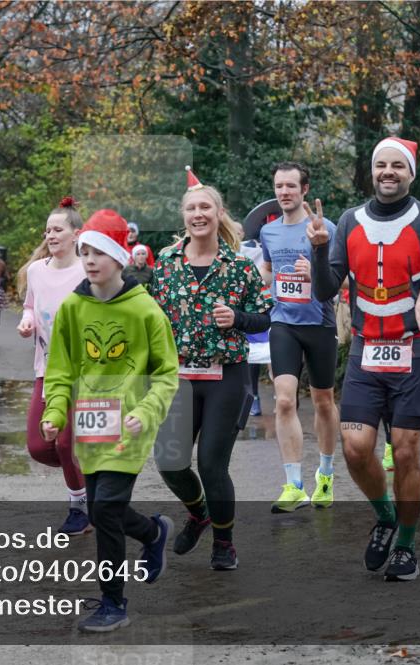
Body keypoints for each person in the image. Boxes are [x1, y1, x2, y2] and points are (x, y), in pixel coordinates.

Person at [308, 137, 420, 581]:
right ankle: (385, 516)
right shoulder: (349, 221)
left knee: (404, 453)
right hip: (367, 352)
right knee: (354, 448)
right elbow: (326, 290)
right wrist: (321, 248)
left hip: (416, 352)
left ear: (410, 174)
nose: (388, 172)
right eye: (380, 164)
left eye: (397, 166)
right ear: (371, 171)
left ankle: (406, 545)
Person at [40, 209, 178, 632]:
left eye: (100, 252)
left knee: (104, 510)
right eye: (85, 252)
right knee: (104, 514)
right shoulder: (72, 309)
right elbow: (60, 369)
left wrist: (146, 412)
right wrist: (54, 412)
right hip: (87, 429)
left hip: (130, 429)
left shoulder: (145, 311)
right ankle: (153, 532)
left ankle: (113, 603)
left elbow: (167, 375)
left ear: (120, 258)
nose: (91, 260)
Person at [150, 167, 271, 570]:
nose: (198, 214)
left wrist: (236, 317)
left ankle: (224, 542)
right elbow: (148, 317)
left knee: (212, 464)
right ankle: (199, 512)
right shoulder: (165, 263)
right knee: (170, 461)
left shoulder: (239, 267)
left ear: (219, 214)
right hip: (178, 376)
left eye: (206, 207)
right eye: (191, 208)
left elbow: (265, 316)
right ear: (183, 216)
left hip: (226, 376)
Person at [259, 162, 340, 513]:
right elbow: (267, 270)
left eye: (291, 186)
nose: (284, 192)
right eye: (279, 186)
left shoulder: (326, 228)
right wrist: (262, 284)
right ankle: (293, 484)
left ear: (305, 190)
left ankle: (325, 474)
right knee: (285, 400)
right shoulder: (269, 233)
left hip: (319, 323)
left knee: (323, 401)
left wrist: (317, 268)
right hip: (284, 324)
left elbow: (342, 281)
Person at [16, 197, 90, 535]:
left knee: (64, 444)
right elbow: (30, 306)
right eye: (47, 230)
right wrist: (27, 322)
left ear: (76, 234)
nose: (50, 235)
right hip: (46, 368)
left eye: (58, 229)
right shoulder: (36, 271)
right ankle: (89, 476)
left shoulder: (87, 270)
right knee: (38, 446)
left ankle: (79, 506)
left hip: (82, 372)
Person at [237, 226, 271, 417]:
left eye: (241, 230)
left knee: (277, 357)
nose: (239, 233)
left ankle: (286, 397)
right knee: (253, 357)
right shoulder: (241, 249)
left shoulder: (277, 243)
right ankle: (253, 397)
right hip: (251, 307)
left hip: (277, 305)